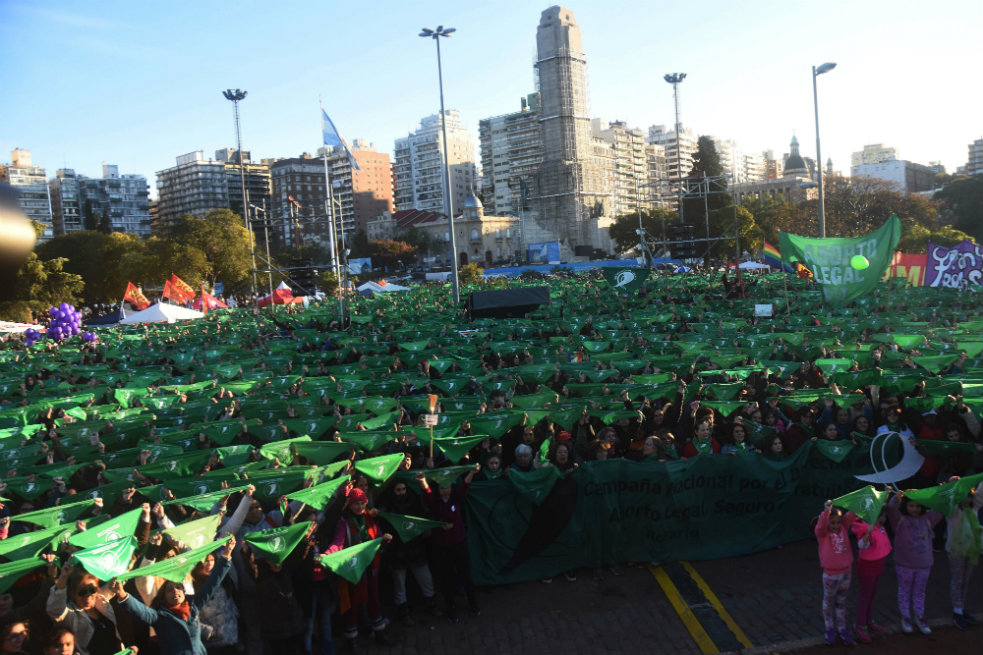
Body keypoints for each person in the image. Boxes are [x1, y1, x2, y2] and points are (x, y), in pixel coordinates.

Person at [110, 536, 236, 655]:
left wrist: (226, 555)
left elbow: (211, 584)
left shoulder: (193, 605)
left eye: (178, 588)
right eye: (169, 590)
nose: (175, 591)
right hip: (156, 644)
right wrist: (121, 594)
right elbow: (140, 608)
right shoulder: (159, 614)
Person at [326, 487, 394, 650]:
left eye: (362, 503)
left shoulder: (370, 519)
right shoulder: (344, 523)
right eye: (355, 504)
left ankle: (379, 633)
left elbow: (377, 540)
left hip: (371, 568)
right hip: (354, 570)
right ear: (349, 505)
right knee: (353, 605)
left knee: (374, 601)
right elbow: (338, 542)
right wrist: (328, 555)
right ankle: (352, 641)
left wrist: (385, 540)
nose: (359, 506)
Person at [420, 467, 480, 622]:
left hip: (459, 542)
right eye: (441, 488)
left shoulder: (456, 498)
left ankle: (474, 604)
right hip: (442, 546)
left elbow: (465, 485)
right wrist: (422, 480)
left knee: (465, 574)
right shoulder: (435, 502)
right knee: (446, 578)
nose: (444, 491)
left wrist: (472, 472)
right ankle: (451, 608)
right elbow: (427, 494)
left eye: (447, 488)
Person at [887, 493, 943, 634]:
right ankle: (906, 617)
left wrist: (946, 488)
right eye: (911, 505)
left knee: (920, 592)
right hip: (904, 564)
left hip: (924, 565)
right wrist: (896, 498)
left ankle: (919, 616)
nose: (915, 509)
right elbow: (891, 508)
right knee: (904, 591)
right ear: (905, 506)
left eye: (918, 505)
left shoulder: (928, 519)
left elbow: (942, 508)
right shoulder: (899, 520)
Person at [46, 564, 122, 655]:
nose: (88, 595)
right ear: (73, 593)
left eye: (92, 590)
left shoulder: (101, 602)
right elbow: (54, 609)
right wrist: (64, 576)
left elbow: (118, 579)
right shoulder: (69, 614)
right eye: (82, 592)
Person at [814, 500, 856, 646]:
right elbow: (820, 527)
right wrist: (826, 512)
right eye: (833, 523)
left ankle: (842, 628)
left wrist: (863, 500)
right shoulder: (822, 533)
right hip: (830, 575)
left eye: (838, 522)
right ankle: (829, 628)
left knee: (841, 602)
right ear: (827, 522)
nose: (836, 526)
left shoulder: (844, 528)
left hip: (846, 573)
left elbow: (852, 515)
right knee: (828, 602)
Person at [946, 477, 983, 630]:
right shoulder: (952, 512)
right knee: (957, 580)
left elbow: (981, 492)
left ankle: (961, 607)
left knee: (965, 581)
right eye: (963, 497)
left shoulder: (974, 510)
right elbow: (949, 499)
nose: (967, 500)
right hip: (956, 552)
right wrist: (954, 485)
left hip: (971, 551)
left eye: (968, 496)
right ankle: (957, 610)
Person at [850, 507, 892, 643]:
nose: (883, 519)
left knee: (871, 595)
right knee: (865, 596)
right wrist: (867, 534)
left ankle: (868, 621)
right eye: (880, 516)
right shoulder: (865, 529)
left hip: (878, 564)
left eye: (883, 516)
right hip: (868, 567)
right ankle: (860, 625)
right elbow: (862, 545)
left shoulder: (879, 527)